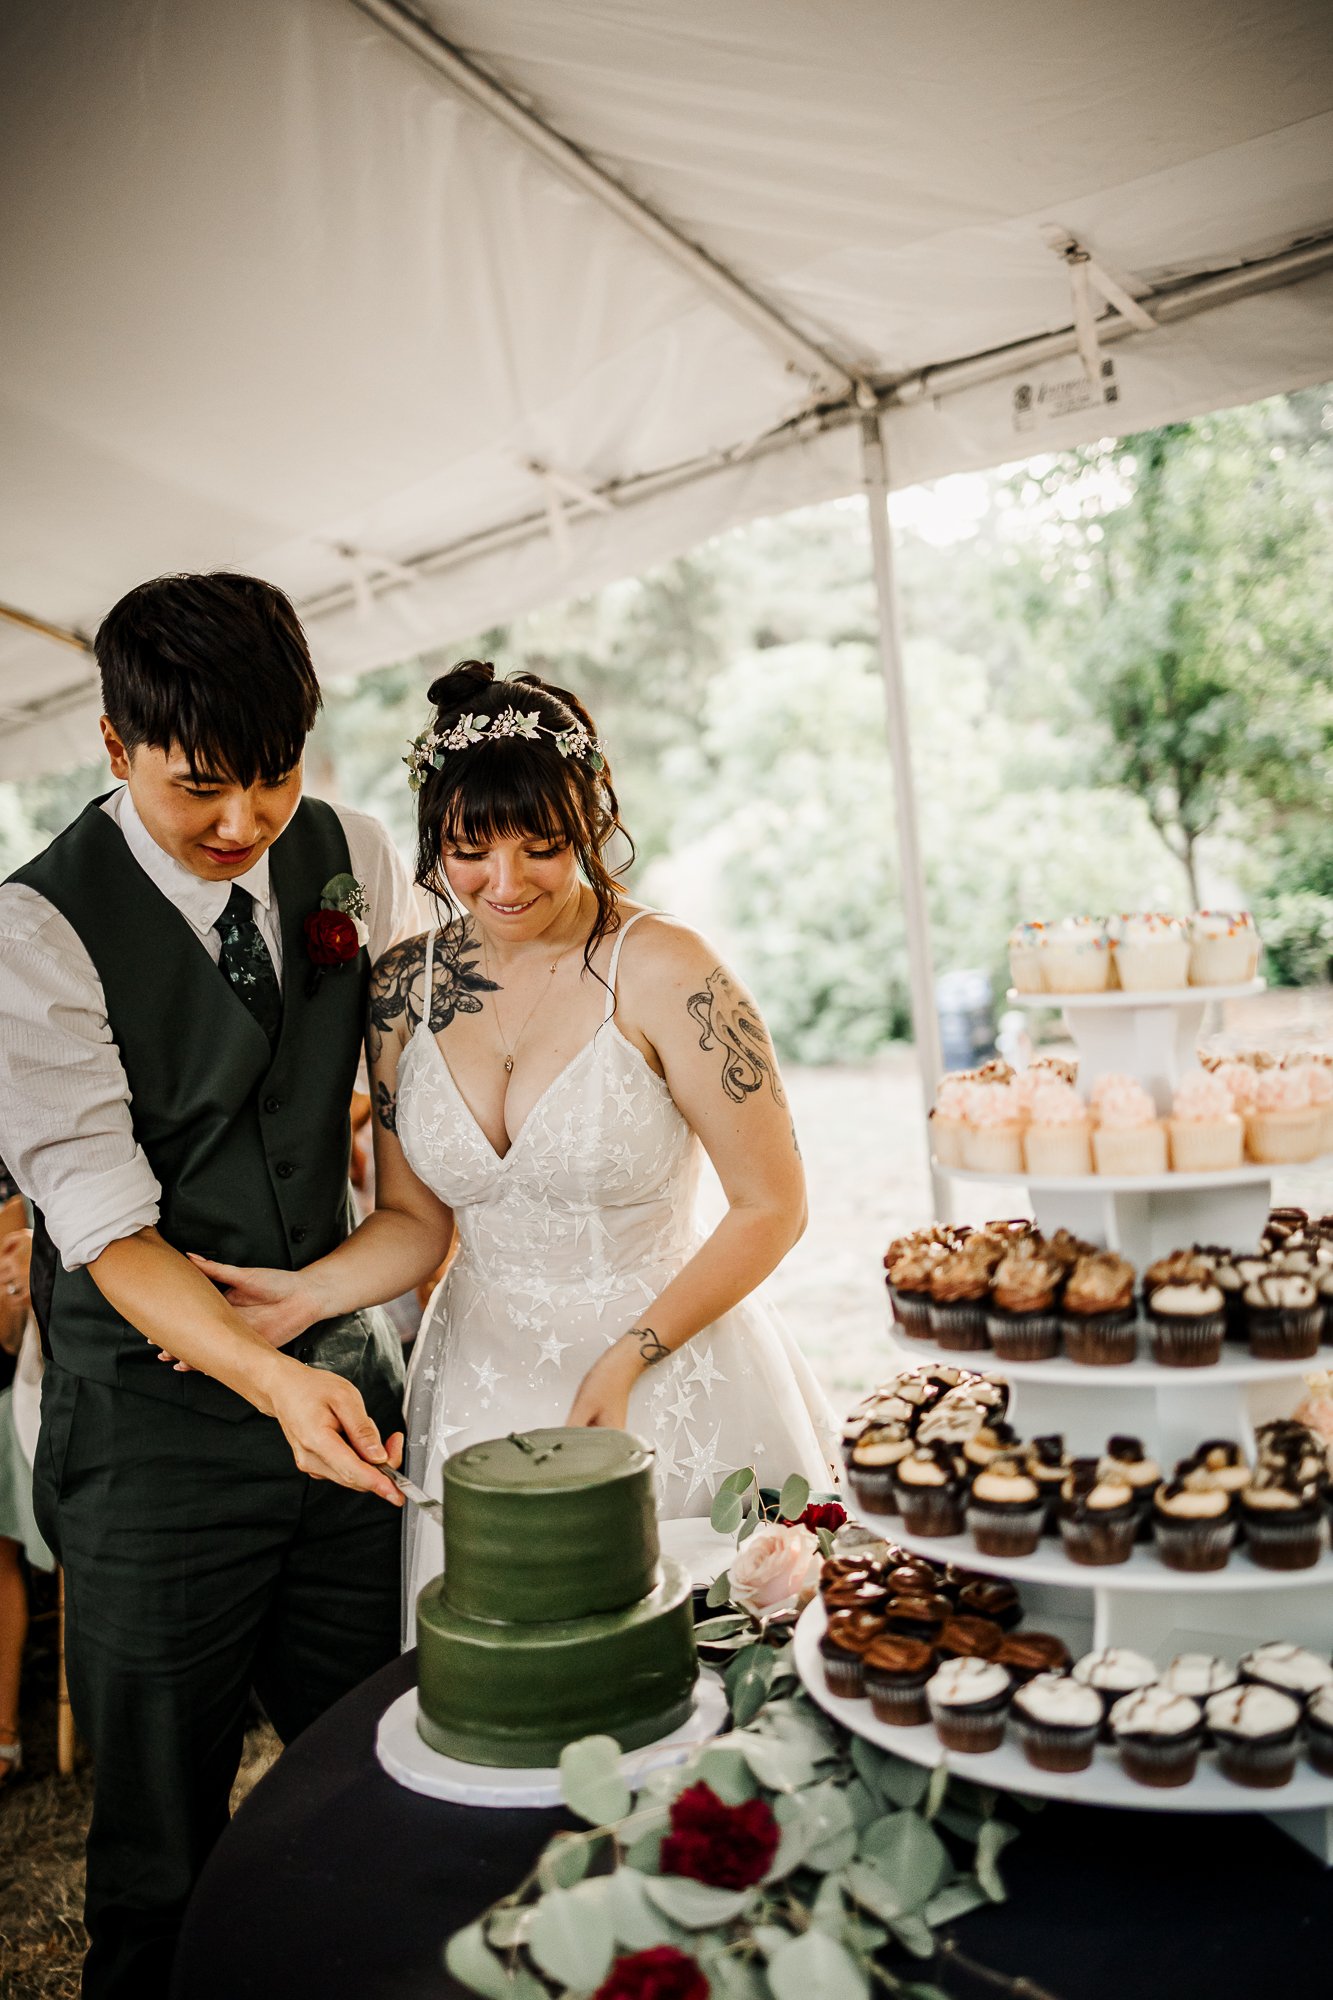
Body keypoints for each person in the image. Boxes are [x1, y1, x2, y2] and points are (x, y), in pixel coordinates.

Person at [192, 662, 836, 1607]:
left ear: (588, 821)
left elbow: (772, 1206)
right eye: (468, 850)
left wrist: (629, 1356)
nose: (504, 883)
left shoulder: (667, 969)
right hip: (480, 1386)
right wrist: (306, 1295)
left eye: (541, 846)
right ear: (433, 838)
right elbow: (416, 1223)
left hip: (671, 1369)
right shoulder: (402, 989)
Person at [0, 573, 424, 1997]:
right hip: (150, 1440)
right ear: (115, 746)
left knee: (387, 1777)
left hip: (347, 1407)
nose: (246, 821)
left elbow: (405, 1119)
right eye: (200, 787)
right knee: (159, 1863)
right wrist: (266, 1375)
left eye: (275, 774)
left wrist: (322, 1326)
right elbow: (107, 1231)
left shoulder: (355, 855)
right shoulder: (32, 931)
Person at [0, 1171, 51, 1789]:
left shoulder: (8, 1187)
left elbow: (12, 1335)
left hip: (14, 1381)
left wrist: (17, 1285)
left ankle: (4, 1727)